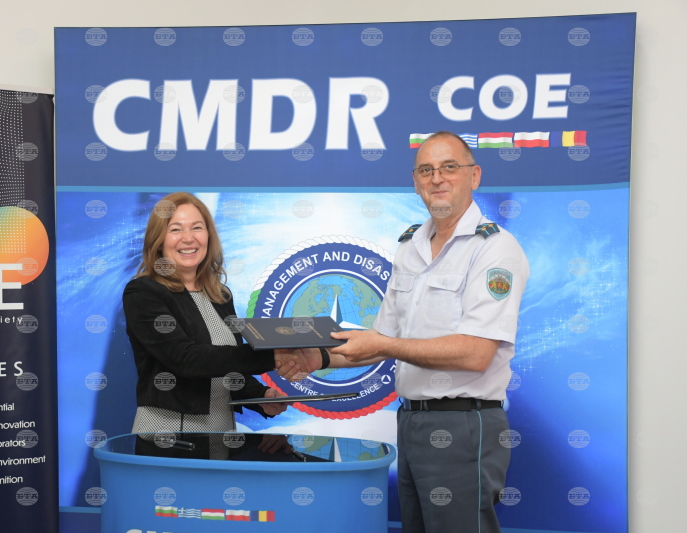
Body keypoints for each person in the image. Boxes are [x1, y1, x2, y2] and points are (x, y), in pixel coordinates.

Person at [327, 131, 530, 532]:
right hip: (412, 422)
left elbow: (476, 352)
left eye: (449, 167)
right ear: (415, 181)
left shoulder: (494, 248)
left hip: (464, 424)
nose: (437, 178)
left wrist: (384, 344)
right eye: (426, 170)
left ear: (474, 176)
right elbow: (380, 340)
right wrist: (311, 358)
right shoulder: (410, 246)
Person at [122, 192, 319, 457]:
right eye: (175, 229)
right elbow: (187, 360)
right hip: (171, 443)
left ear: (209, 236)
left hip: (221, 439)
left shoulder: (220, 296)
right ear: (158, 241)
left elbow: (225, 366)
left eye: (197, 227)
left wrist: (261, 397)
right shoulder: (143, 293)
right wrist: (273, 356)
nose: (188, 238)